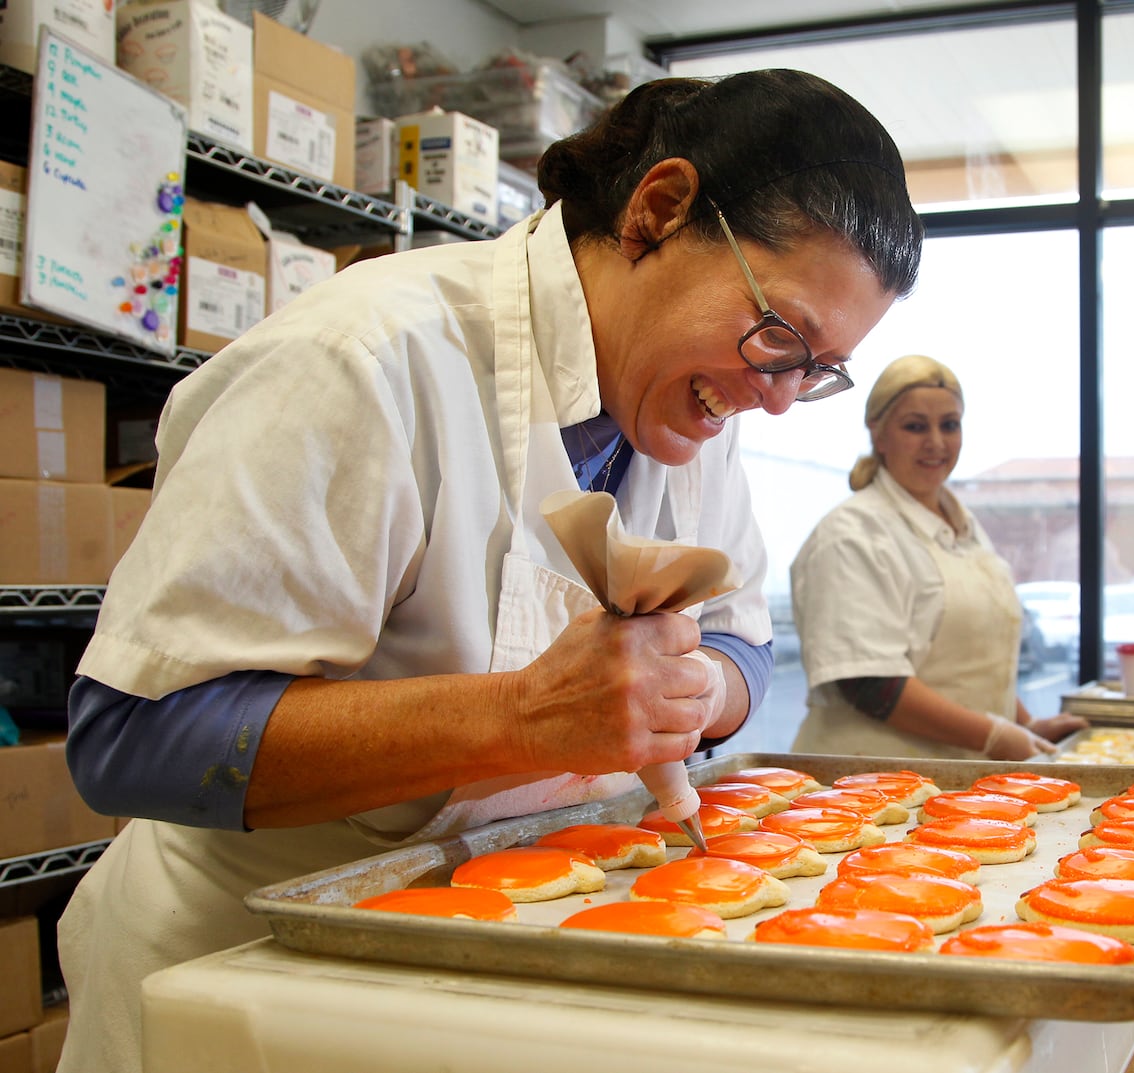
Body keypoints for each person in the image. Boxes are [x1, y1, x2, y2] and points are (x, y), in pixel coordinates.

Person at [55, 69, 923, 1073]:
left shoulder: (702, 399)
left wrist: (695, 684)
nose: (776, 399)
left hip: (488, 961)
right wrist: (518, 716)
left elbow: (744, 641)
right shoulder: (368, 361)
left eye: (814, 371)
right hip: (249, 982)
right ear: (657, 211)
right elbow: (130, 737)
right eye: (779, 334)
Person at [789, 355, 1087, 760]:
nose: (936, 442)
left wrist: (1023, 724)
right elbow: (871, 684)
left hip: (957, 778)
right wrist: (992, 737)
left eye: (949, 425)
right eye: (915, 426)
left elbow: (973, 658)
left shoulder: (964, 526)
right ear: (878, 433)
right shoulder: (852, 534)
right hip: (871, 783)